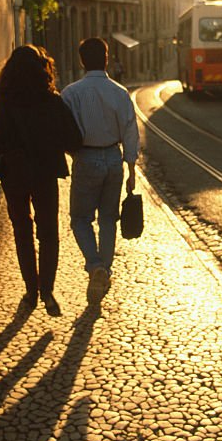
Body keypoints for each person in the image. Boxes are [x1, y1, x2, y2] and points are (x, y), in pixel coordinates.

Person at [0, 45, 83, 315]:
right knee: (48, 233)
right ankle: (48, 291)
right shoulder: (52, 101)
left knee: (22, 232)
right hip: (45, 173)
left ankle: (30, 292)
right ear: (43, 69)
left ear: (11, 72)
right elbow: (74, 138)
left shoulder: (7, 105)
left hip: (14, 177)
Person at [61, 37, 139, 297]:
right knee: (108, 218)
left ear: (82, 61)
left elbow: (65, 131)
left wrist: (73, 154)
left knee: (80, 219)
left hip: (86, 157)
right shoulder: (119, 92)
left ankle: (95, 267)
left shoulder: (70, 94)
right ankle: (104, 270)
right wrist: (131, 169)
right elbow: (130, 131)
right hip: (114, 159)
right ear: (106, 59)